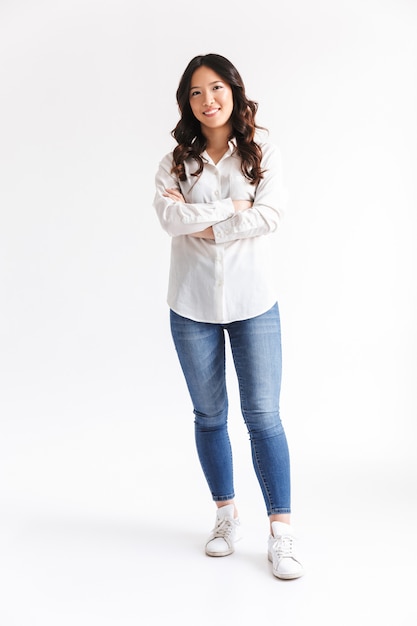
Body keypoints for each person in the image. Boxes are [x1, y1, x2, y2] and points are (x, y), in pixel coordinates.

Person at [153, 53, 304, 580]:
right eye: (196, 92)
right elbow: (169, 218)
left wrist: (208, 224)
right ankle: (224, 516)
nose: (208, 100)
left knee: (263, 417)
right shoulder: (177, 162)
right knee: (209, 416)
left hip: (253, 303)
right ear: (187, 103)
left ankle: (281, 536)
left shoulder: (263, 154)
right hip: (191, 304)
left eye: (216, 88)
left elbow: (271, 215)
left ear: (234, 93)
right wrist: (233, 209)